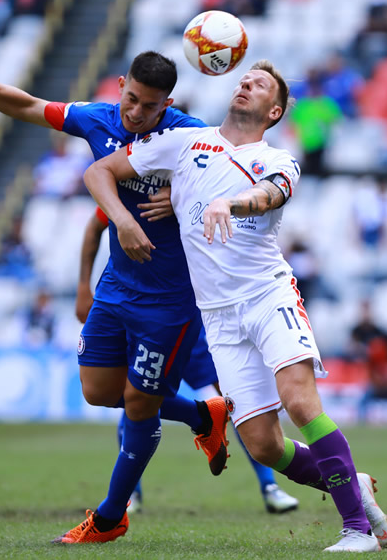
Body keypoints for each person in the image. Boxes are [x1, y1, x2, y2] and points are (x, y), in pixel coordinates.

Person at [85, 60, 387, 552]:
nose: (246, 84)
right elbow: (100, 170)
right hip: (219, 316)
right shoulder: (184, 142)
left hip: (268, 296)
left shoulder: (278, 158)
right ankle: (353, 485)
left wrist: (233, 203)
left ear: (273, 110)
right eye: (244, 79)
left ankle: (357, 530)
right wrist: (122, 219)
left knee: (299, 400)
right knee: (263, 445)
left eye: (261, 84)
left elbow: (271, 194)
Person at [0, 52, 230, 544]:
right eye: (130, 99)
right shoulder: (98, 119)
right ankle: (203, 414)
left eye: (148, 106)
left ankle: (110, 518)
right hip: (117, 285)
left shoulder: (190, 136)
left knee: (139, 404)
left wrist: (181, 198)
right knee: (99, 392)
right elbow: (27, 106)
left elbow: (230, 184)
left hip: (171, 300)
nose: (135, 113)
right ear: (120, 86)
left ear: (167, 105)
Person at [76, 205, 300, 514]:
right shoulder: (129, 188)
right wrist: (83, 287)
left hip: (190, 316)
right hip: (138, 311)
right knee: (135, 397)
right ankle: (132, 495)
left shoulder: (193, 185)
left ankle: (269, 486)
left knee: (230, 396)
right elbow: (95, 223)